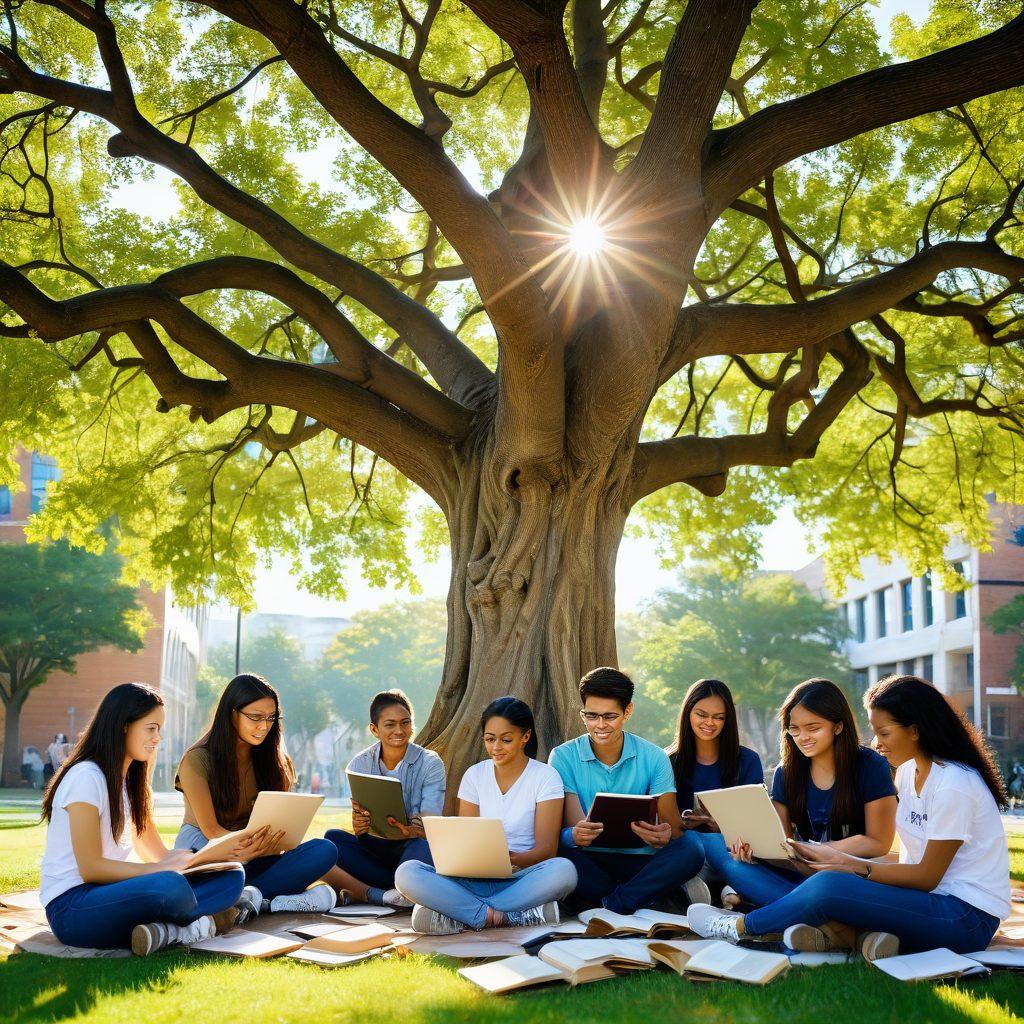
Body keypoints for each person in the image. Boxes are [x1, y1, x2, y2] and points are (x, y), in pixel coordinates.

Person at [689, 675, 1011, 959]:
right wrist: (825, 859)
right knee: (821, 879)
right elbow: (911, 865)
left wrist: (849, 866)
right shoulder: (909, 773)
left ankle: (739, 927)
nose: (877, 744)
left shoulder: (954, 783)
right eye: (875, 732)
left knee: (830, 884)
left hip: (967, 917)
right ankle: (849, 937)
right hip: (926, 901)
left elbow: (926, 876)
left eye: (884, 733)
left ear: (915, 730)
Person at [39, 682, 247, 955]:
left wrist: (197, 861)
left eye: (159, 729)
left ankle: (164, 932)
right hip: (73, 908)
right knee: (168, 886)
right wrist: (161, 871)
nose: (157, 738)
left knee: (231, 874)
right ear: (123, 725)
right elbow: (91, 868)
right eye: (151, 728)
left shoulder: (134, 787)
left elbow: (158, 855)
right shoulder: (85, 777)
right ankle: (193, 925)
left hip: (112, 894)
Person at [700, 677, 896, 916]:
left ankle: (798, 912)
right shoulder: (787, 772)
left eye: (813, 728)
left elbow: (879, 841)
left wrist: (819, 850)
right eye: (795, 729)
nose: (803, 737)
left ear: (838, 726)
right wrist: (755, 852)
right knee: (713, 845)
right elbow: (782, 847)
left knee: (820, 887)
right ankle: (813, 915)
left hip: (848, 874)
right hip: (801, 872)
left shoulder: (870, 765)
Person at [395, 696, 577, 935]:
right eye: (490, 739)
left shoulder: (545, 777)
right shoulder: (474, 775)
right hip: (473, 879)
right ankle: (509, 916)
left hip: (520, 877)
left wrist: (508, 859)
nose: (496, 747)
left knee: (564, 870)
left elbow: (546, 850)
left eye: (506, 740)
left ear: (525, 737)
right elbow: (468, 840)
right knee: (406, 873)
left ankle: (461, 916)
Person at [174, 673, 338, 921]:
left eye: (271, 718)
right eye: (255, 717)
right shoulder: (197, 759)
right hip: (208, 851)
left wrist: (275, 843)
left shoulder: (275, 761)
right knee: (231, 874)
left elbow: (283, 823)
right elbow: (211, 831)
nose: (264, 726)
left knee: (325, 850)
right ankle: (267, 897)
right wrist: (251, 848)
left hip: (256, 853)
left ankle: (252, 897)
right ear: (232, 713)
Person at [549, 667, 706, 915]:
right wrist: (574, 835)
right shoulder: (563, 756)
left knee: (692, 848)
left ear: (627, 712)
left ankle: (610, 905)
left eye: (609, 716)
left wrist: (663, 834)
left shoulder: (654, 757)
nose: (599, 725)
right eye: (591, 716)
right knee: (556, 848)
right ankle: (645, 898)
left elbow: (673, 828)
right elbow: (571, 825)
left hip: (640, 861)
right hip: (590, 862)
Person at [324, 689, 444, 908]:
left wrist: (413, 828)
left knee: (423, 850)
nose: (399, 730)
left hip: (413, 846)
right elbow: (360, 817)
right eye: (390, 724)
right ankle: (401, 892)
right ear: (374, 729)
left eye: (405, 723)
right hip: (375, 849)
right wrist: (359, 825)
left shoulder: (430, 763)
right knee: (331, 839)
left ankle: (388, 889)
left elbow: (431, 817)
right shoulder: (359, 765)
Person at [666, 679, 764, 903]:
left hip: (735, 851)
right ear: (688, 713)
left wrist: (718, 824)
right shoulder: (669, 762)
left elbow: (755, 821)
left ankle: (727, 889)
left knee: (737, 855)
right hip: (689, 852)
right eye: (701, 714)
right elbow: (664, 821)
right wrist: (684, 822)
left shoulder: (747, 761)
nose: (710, 723)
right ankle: (724, 891)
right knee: (689, 849)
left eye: (719, 717)